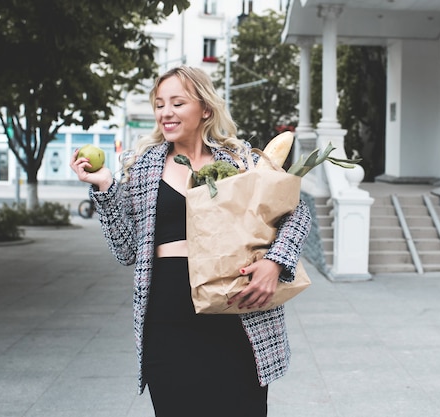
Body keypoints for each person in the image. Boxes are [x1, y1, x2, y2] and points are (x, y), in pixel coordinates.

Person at [69, 65, 311, 416]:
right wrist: (105, 187)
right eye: (159, 104)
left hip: (235, 309)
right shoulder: (141, 168)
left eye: (177, 103)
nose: (166, 112)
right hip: (168, 317)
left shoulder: (242, 161)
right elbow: (125, 250)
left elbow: (295, 212)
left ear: (205, 109)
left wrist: (274, 263)